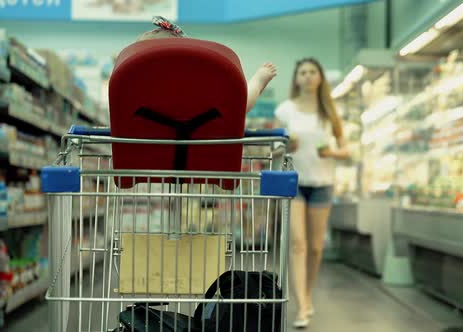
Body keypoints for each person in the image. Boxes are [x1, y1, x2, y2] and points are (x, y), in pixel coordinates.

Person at [275, 58, 350, 328]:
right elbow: (274, 147)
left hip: (322, 183)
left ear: (320, 77)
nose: (307, 76)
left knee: (316, 248)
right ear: (296, 79)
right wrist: (285, 147)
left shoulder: (329, 113)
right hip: (293, 182)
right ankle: (302, 305)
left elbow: (347, 150)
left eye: (312, 72)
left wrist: (330, 152)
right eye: (302, 72)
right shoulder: (285, 110)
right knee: (298, 244)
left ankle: (307, 295)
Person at [137, 16, 277, 113]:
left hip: (143, 150)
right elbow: (240, 106)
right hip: (199, 151)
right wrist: (258, 81)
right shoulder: (197, 92)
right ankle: (257, 81)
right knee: (238, 103)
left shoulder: (133, 90)